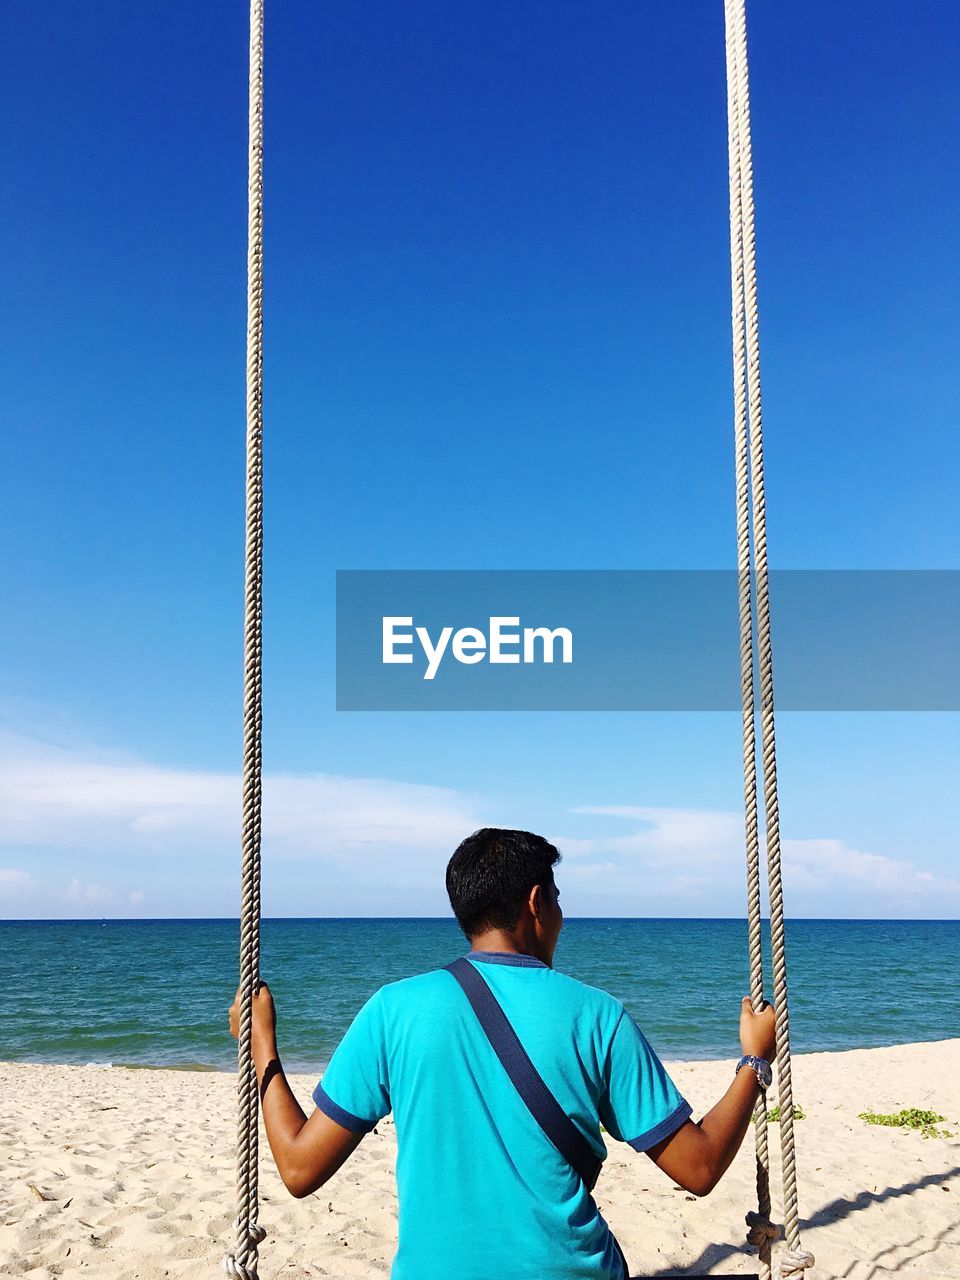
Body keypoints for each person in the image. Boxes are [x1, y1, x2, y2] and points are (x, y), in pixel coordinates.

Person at [229, 827, 776, 1280]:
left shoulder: (391, 1010)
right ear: (536, 902)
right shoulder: (597, 1016)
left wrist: (263, 1051)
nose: (561, 915)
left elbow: (299, 1168)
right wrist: (753, 1062)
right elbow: (699, 1167)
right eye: (557, 898)